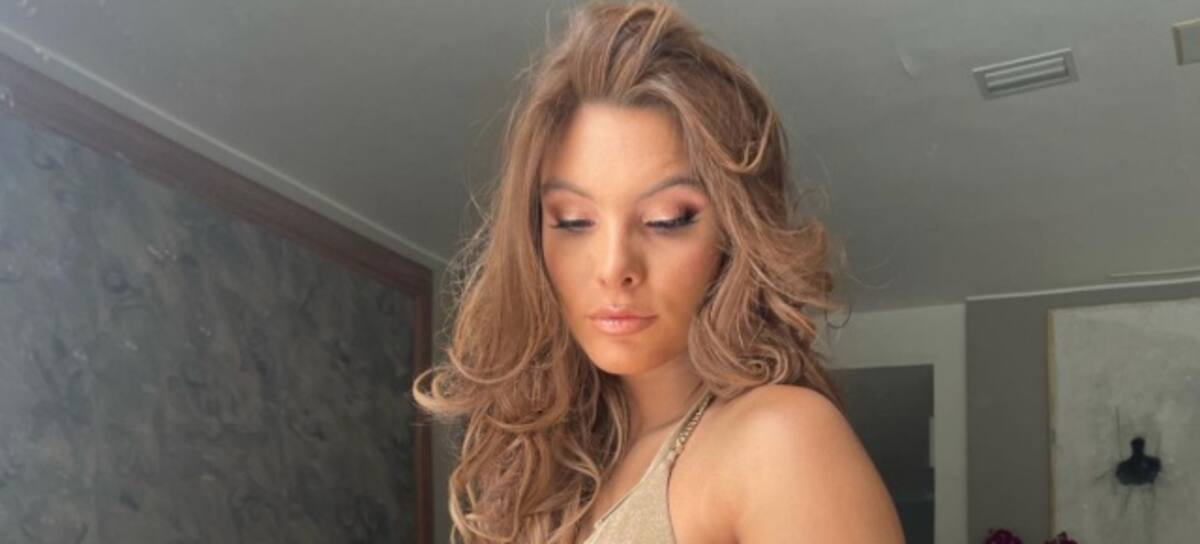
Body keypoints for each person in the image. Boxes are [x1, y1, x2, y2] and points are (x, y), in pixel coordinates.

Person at [412, 1, 905, 542]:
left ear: (734, 232)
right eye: (574, 221)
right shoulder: (551, 469)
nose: (614, 267)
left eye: (667, 220)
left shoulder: (779, 441)